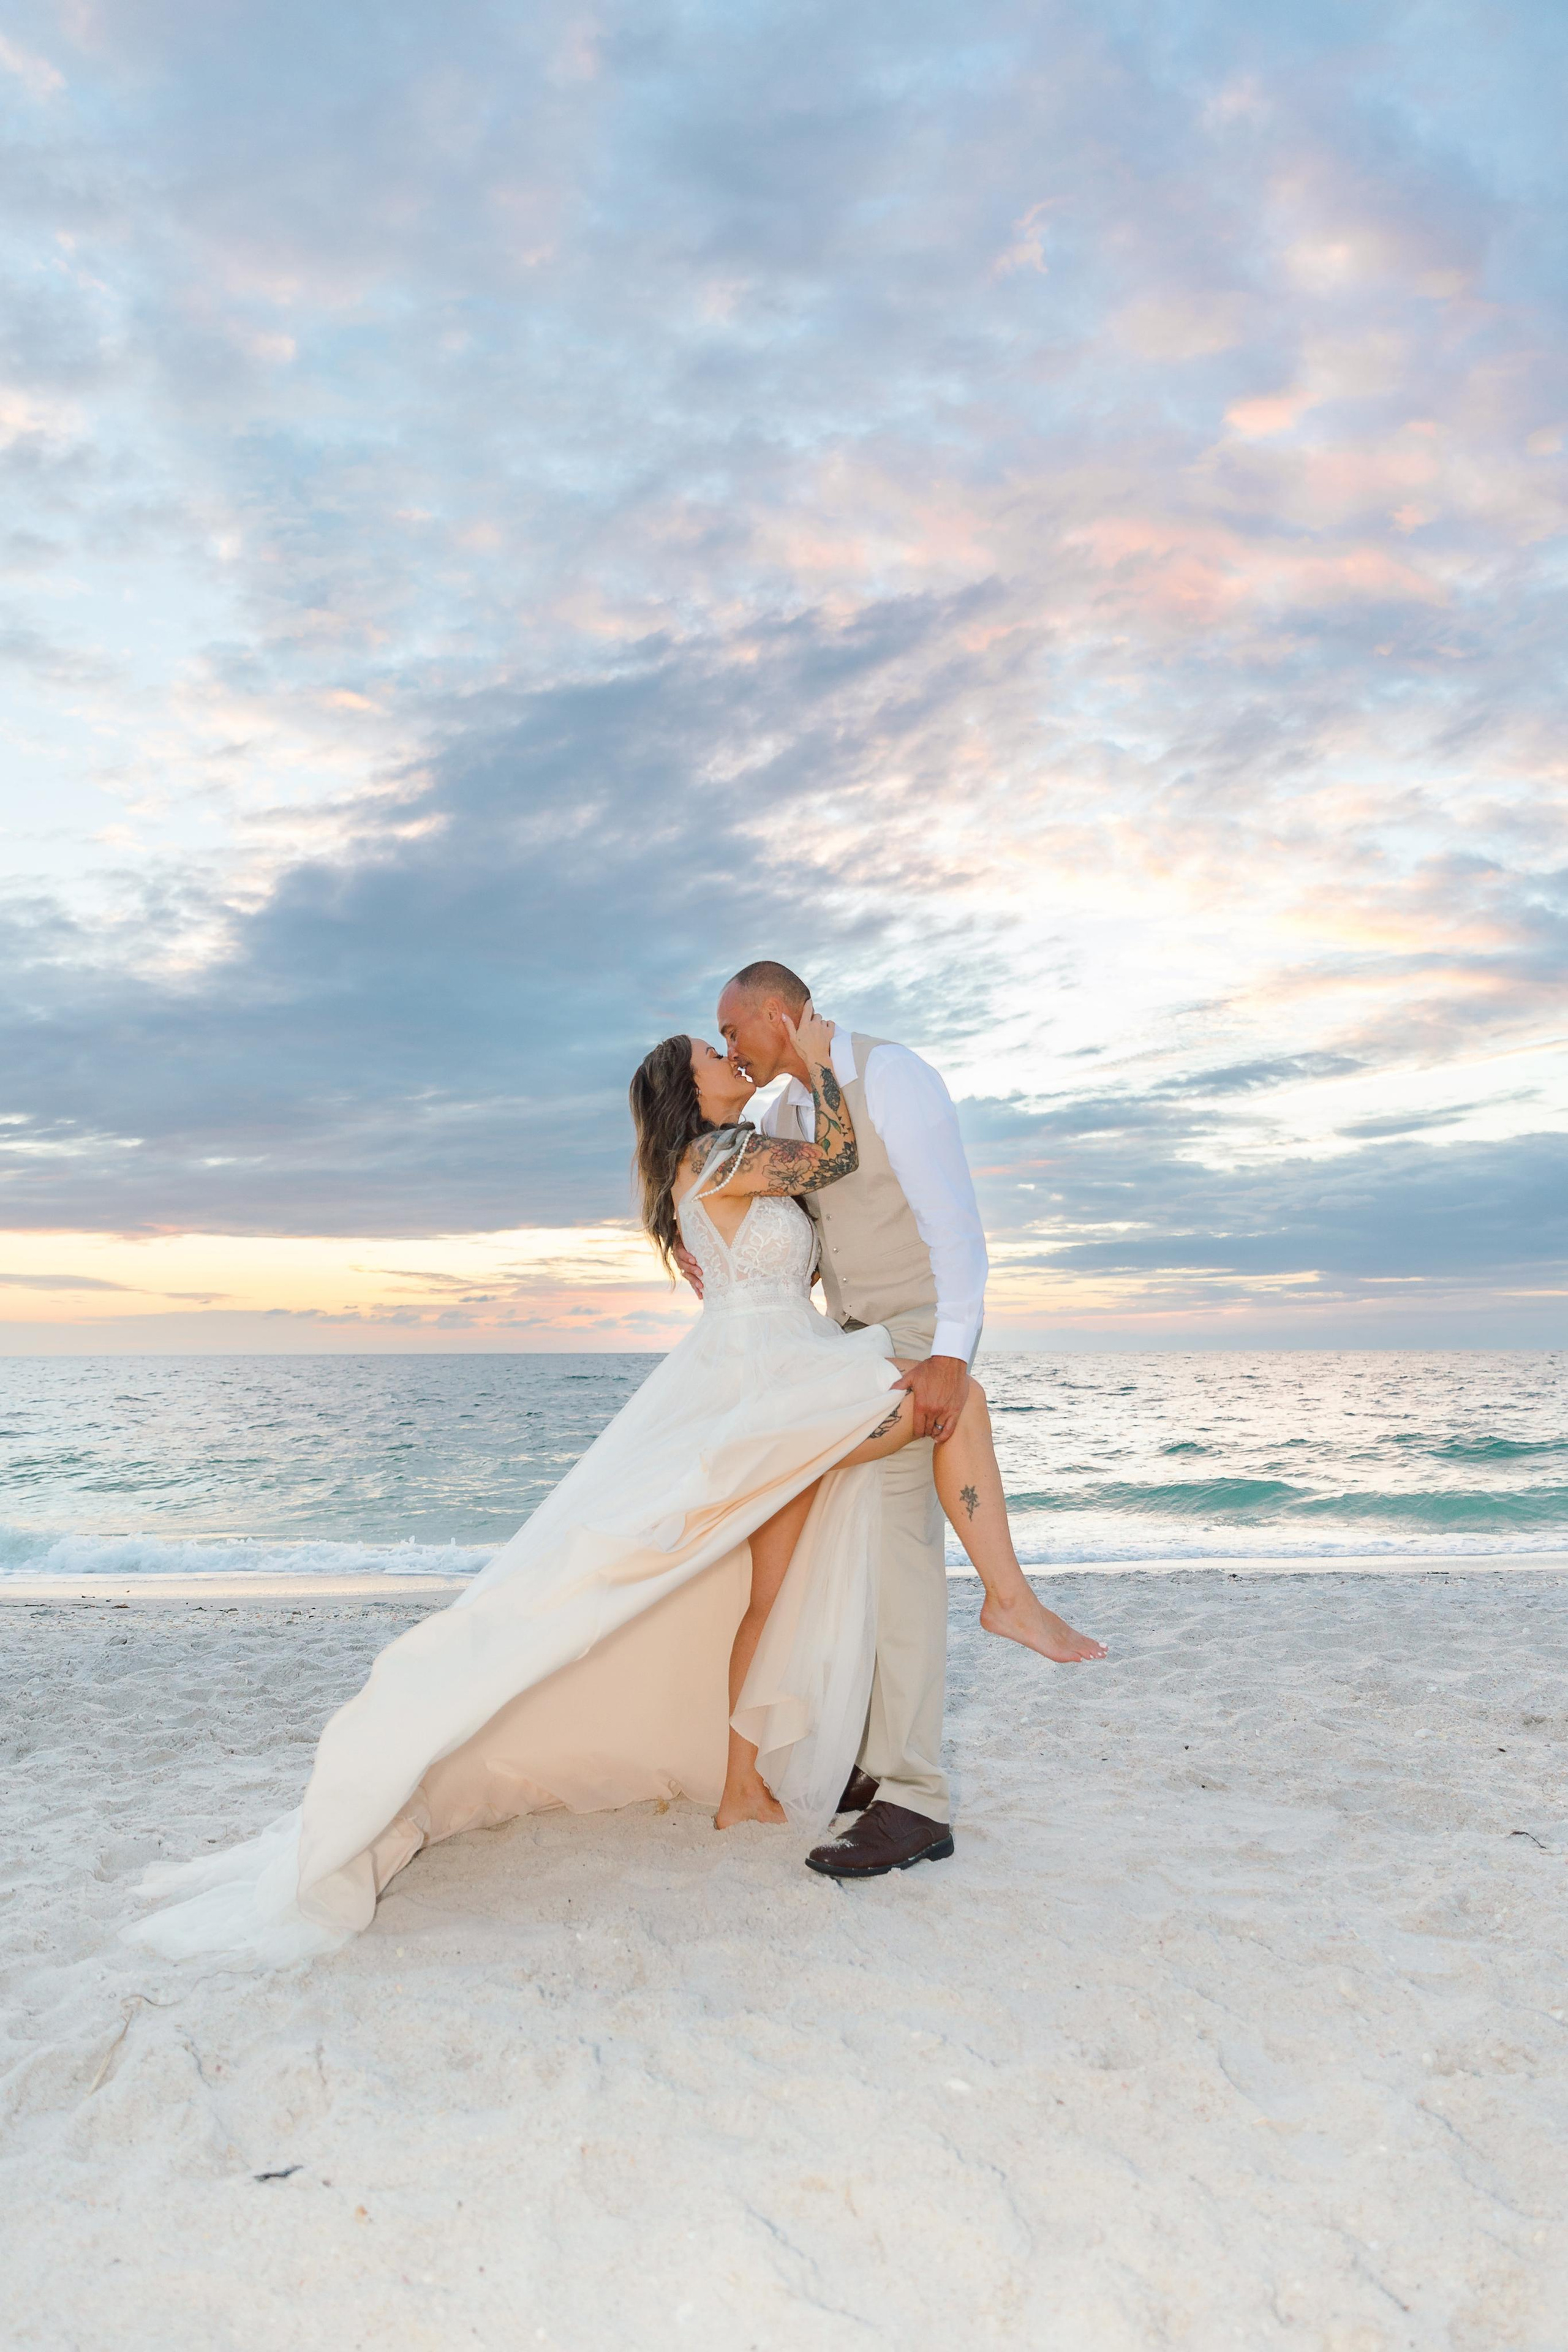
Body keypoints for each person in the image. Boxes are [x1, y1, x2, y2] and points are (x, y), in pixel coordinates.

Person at [125, 999, 1101, 1967]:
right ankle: (1008, 1603)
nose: (727, 1059)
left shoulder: (717, 1161)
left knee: (770, 1592)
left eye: (729, 1045)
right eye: (709, 1057)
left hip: (784, 1370)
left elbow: (794, 1220)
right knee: (950, 1400)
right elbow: (835, 1159)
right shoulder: (717, 1157)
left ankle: (741, 1790)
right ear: (688, 1090)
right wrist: (822, 1064)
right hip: (769, 1389)